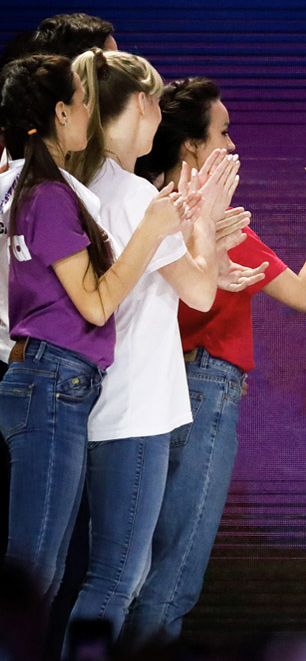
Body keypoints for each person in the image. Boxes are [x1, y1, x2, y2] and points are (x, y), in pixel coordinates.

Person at [120, 76, 306, 652]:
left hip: (131, 395)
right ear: (192, 146)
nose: (232, 144)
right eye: (223, 132)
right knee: (175, 567)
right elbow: (305, 293)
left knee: (121, 565)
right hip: (202, 392)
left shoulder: (136, 207)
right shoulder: (209, 221)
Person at [63, 48, 240, 649]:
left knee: (80, 573)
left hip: (81, 398)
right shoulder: (135, 194)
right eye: (158, 105)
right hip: (133, 407)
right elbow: (199, 291)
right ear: (141, 104)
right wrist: (205, 222)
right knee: (116, 579)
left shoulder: (73, 183)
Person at [0, 54, 187, 617]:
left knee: (45, 571)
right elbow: (98, 301)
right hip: (52, 382)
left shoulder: (24, 187)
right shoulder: (49, 195)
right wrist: (151, 231)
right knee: (37, 573)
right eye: (83, 103)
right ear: (61, 114)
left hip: (47, 379)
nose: (91, 113)